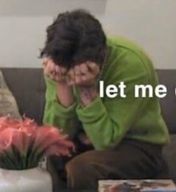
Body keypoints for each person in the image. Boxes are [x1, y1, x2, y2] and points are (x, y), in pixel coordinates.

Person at [41, 9, 169, 190]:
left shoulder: (132, 64)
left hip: (136, 144)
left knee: (82, 168)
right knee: (46, 157)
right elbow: (56, 137)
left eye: (74, 71)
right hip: (82, 139)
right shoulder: (58, 60)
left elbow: (105, 141)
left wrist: (87, 90)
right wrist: (62, 85)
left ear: (100, 58)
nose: (70, 75)